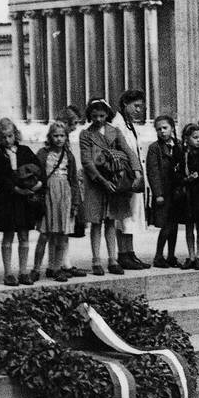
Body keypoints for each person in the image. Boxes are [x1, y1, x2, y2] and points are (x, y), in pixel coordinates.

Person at [80, 98, 139, 276]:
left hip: (115, 180)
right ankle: (96, 260)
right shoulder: (86, 134)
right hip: (97, 183)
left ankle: (113, 259)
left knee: (111, 221)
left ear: (108, 114)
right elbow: (87, 160)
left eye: (102, 115)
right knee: (96, 222)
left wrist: (136, 171)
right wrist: (102, 180)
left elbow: (128, 150)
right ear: (90, 115)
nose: (98, 119)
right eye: (95, 115)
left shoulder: (114, 131)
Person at [33, 106, 87, 280]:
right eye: (55, 136)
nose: (59, 139)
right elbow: (36, 172)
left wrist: (76, 203)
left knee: (62, 236)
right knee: (44, 235)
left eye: (62, 136)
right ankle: (36, 268)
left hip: (64, 197)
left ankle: (56, 268)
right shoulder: (43, 154)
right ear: (50, 137)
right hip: (48, 196)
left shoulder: (68, 156)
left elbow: (72, 180)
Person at [0, 117, 39, 286]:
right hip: (8, 199)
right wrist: (17, 189)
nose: (7, 140)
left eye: (10, 136)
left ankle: (24, 270)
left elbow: (36, 168)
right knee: (8, 235)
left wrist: (35, 185)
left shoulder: (25, 151)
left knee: (24, 234)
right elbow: (1, 178)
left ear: (15, 135)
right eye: (3, 137)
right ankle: (8, 272)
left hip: (24, 200)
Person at [110, 89, 149, 269]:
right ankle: (122, 253)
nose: (139, 110)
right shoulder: (117, 124)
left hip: (135, 176)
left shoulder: (129, 125)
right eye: (136, 106)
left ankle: (130, 252)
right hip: (124, 176)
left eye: (141, 107)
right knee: (123, 215)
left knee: (132, 216)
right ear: (125, 104)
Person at [174, 123, 199, 270]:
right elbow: (176, 172)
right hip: (187, 193)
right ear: (186, 138)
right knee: (189, 226)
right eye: (194, 137)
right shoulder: (181, 153)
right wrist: (185, 179)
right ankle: (190, 256)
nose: (198, 140)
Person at [146, 115, 181, 268]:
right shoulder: (155, 148)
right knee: (166, 225)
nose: (162, 131)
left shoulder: (179, 145)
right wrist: (158, 194)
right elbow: (152, 172)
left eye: (165, 128)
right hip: (164, 192)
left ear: (172, 128)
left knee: (174, 225)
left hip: (177, 191)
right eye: (159, 129)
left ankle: (171, 255)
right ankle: (158, 255)